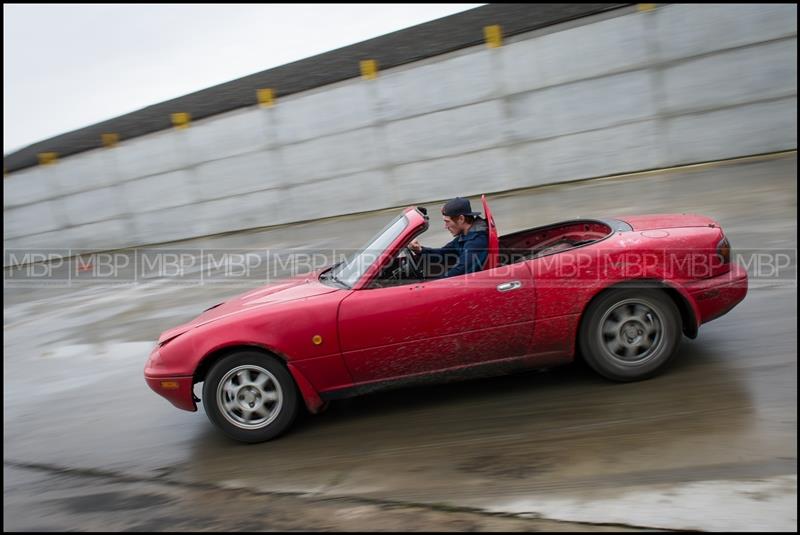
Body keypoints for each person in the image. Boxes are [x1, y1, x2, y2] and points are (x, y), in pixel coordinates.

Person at [408, 197, 488, 278]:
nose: (446, 227)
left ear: (461, 219)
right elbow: (443, 254)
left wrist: (432, 284)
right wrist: (420, 250)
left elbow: (460, 271)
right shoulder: (466, 235)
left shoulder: (476, 241)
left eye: (447, 222)